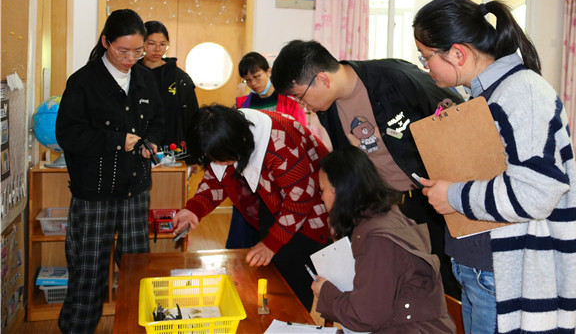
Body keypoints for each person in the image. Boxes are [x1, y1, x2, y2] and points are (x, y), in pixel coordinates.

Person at [412, 0, 576, 333]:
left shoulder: (522, 92)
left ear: (457, 53)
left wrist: (453, 195)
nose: (426, 67)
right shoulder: (489, 93)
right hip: (482, 269)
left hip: (503, 275)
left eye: (426, 57)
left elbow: (536, 193)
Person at [271, 39, 464, 298]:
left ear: (322, 79)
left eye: (299, 97)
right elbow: (353, 165)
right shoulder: (328, 109)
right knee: (403, 285)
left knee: (448, 282)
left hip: (433, 198)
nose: (301, 106)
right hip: (389, 206)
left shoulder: (394, 77)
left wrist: (455, 183)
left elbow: (457, 113)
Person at [56, 9, 164, 334]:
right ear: (106, 42)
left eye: (137, 52)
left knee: (136, 270)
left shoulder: (145, 79)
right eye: (122, 51)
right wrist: (117, 141)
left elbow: (158, 120)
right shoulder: (83, 82)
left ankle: (135, 328)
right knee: (88, 273)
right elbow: (68, 135)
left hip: (135, 191)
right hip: (94, 194)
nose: (130, 59)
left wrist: (150, 141)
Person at [172, 105, 330, 310]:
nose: (217, 163)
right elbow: (217, 179)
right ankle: (272, 319)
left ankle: (291, 321)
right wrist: (194, 210)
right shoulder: (229, 134)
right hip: (275, 204)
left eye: (220, 159)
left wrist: (272, 243)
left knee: (293, 287)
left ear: (241, 143)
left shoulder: (280, 144)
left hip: (312, 210)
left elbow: (300, 200)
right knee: (271, 278)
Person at [312, 146, 456, 333]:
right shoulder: (386, 215)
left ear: (338, 191)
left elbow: (365, 316)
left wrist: (326, 293)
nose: (321, 198)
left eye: (322, 190)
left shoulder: (375, 239)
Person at [227, 51, 308, 249]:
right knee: (244, 224)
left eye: (257, 76)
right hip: (251, 171)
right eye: (248, 80)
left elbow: (299, 135)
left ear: (269, 71)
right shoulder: (242, 104)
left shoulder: (290, 101)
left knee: (274, 225)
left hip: (281, 172)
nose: (253, 83)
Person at [137, 20, 199, 153]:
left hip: (172, 147)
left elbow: (191, 117)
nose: (157, 49)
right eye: (151, 43)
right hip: (137, 145)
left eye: (162, 44)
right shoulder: (132, 73)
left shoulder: (179, 77)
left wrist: (193, 152)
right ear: (142, 43)